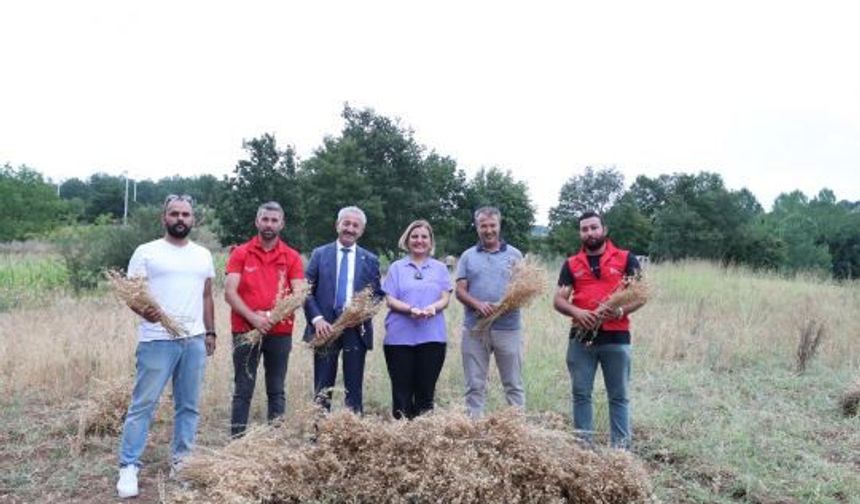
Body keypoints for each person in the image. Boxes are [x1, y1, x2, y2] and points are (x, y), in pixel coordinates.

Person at [116, 194, 216, 499]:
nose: (180, 219)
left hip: (193, 340)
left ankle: (181, 462)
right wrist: (143, 310)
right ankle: (129, 466)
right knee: (143, 405)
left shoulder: (203, 255)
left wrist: (210, 332)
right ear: (164, 218)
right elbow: (131, 294)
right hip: (157, 340)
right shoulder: (146, 252)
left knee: (188, 406)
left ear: (193, 219)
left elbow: (207, 296)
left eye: (186, 214)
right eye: (174, 214)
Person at [552, 211, 645, 449]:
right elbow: (559, 300)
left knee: (619, 397)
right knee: (581, 395)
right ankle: (584, 450)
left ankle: (621, 452)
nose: (590, 233)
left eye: (594, 227)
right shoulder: (572, 263)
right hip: (581, 339)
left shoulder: (625, 258)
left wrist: (619, 311)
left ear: (604, 229)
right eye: (584, 229)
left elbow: (641, 295)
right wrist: (577, 313)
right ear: (580, 233)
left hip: (616, 338)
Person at [224, 201, 304, 437]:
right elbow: (229, 292)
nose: (269, 224)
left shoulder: (291, 256)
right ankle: (237, 441)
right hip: (244, 330)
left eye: (274, 220)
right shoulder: (240, 253)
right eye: (265, 219)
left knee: (276, 388)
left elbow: (299, 294)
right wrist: (253, 317)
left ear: (282, 224)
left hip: (280, 332)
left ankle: (274, 442)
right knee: (243, 388)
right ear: (257, 221)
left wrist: (270, 317)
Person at [303, 206, 382, 414]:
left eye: (355, 225)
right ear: (337, 225)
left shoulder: (370, 260)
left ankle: (352, 429)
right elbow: (305, 290)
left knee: (354, 388)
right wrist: (317, 319)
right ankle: (319, 429)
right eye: (346, 223)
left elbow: (377, 295)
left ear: (361, 231)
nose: (350, 229)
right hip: (325, 329)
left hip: (356, 330)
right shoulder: (319, 254)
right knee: (322, 388)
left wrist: (362, 314)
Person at [455, 206, 525, 418]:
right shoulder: (467, 256)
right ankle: (474, 427)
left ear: (499, 225)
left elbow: (523, 289)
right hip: (475, 329)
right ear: (477, 227)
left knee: (513, 383)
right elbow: (460, 291)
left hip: (508, 328)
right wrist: (477, 304)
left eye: (492, 225)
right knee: (475, 384)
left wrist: (505, 304)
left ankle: (516, 427)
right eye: (483, 226)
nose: (488, 230)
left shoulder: (515, 255)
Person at [382, 220, 452, 419]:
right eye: (414, 236)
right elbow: (390, 299)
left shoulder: (440, 268)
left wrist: (432, 308)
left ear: (430, 241)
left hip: (432, 338)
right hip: (399, 339)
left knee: (425, 393)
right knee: (401, 394)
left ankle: (423, 433)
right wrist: (409, 309)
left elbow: (445, 298)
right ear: (407, 240)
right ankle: (402, 432)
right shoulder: (396, 267)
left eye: (424, 237)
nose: (419, 240)